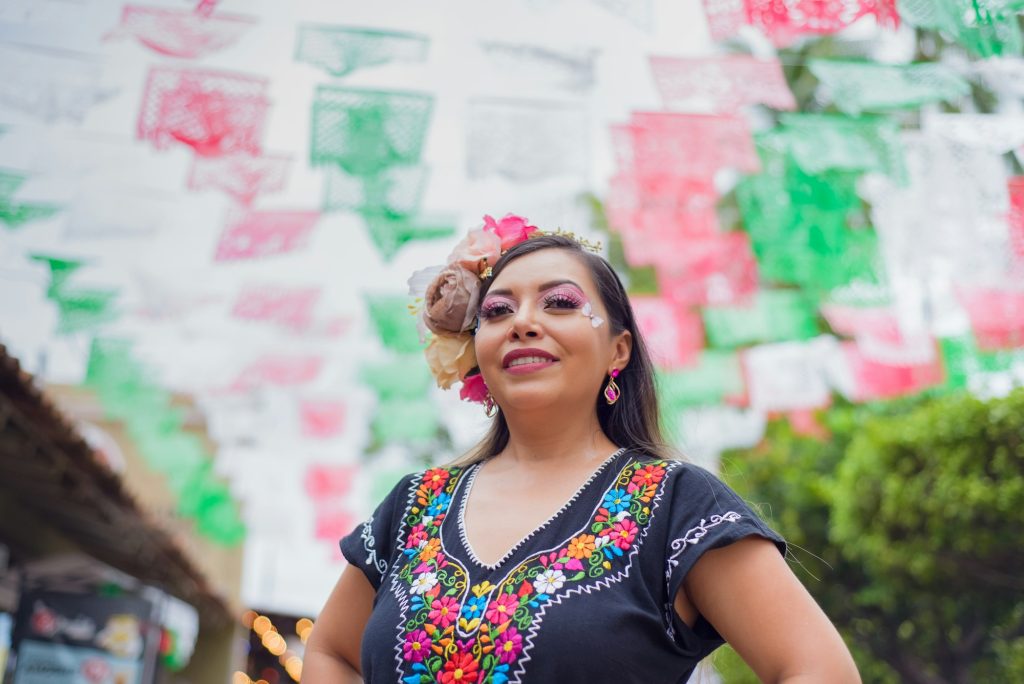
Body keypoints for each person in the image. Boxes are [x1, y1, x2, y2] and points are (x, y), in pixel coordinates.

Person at [305, 216, 860, 683]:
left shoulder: (675, 505)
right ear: (477, 352)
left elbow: (819, 670)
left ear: (617, 350)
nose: (523, 322)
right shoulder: (416, 507)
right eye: (497, 312)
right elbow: (329, 650)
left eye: (560, 304)